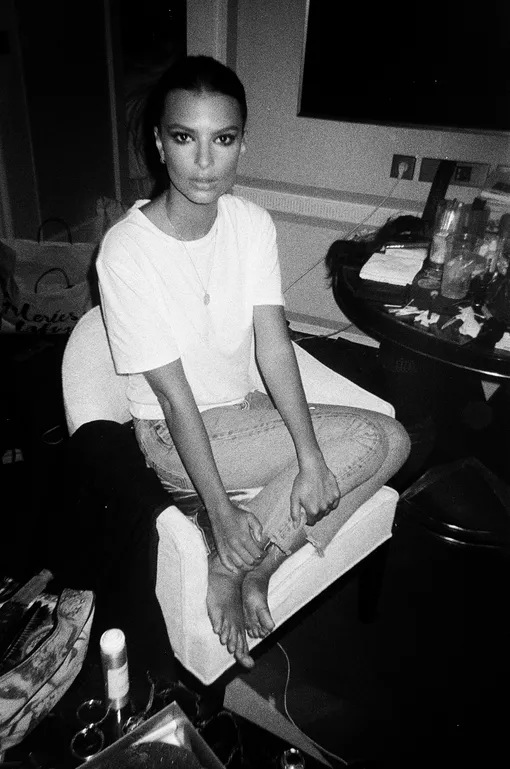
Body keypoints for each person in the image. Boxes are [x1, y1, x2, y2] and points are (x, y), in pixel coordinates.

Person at [96, 55, 411, 671]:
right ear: (159, 143)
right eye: (184, 138)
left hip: (243, 412)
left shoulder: (251, 224)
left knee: (395, 441)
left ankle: (255, 565)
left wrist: (311, 456)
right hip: (172, 435)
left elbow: (274, 345)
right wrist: (220, 510)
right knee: (376, 439)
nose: (204, 161)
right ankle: (224, 553)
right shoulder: (126, 252)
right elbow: (174, 399)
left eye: (223, 139)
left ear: (242, 143)